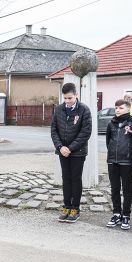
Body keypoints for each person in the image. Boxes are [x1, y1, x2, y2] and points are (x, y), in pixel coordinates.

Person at [50, 82, 92, 223]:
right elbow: (54, 130)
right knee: (66, 179)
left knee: (75, 179)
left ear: (76, 95)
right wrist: (60, 147)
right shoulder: (59, 109)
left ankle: (75, 209)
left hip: (78, 152)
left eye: (70, 98)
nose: (67, 101)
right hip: (62, 151)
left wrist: (70, 148)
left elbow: (85, 132)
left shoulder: (84, 110)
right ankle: (67, 207)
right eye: (65, 98)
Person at [105, 99, 132, 230]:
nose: (117, 110)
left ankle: (126, 215)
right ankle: (116, 213)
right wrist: (111, 154)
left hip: (127, 161)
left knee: (127, 189)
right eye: (116, 108)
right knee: (114, 188)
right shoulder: (111, 123)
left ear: (128, 109)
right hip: (112, 161)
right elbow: (108, 141)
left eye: (120, 108)